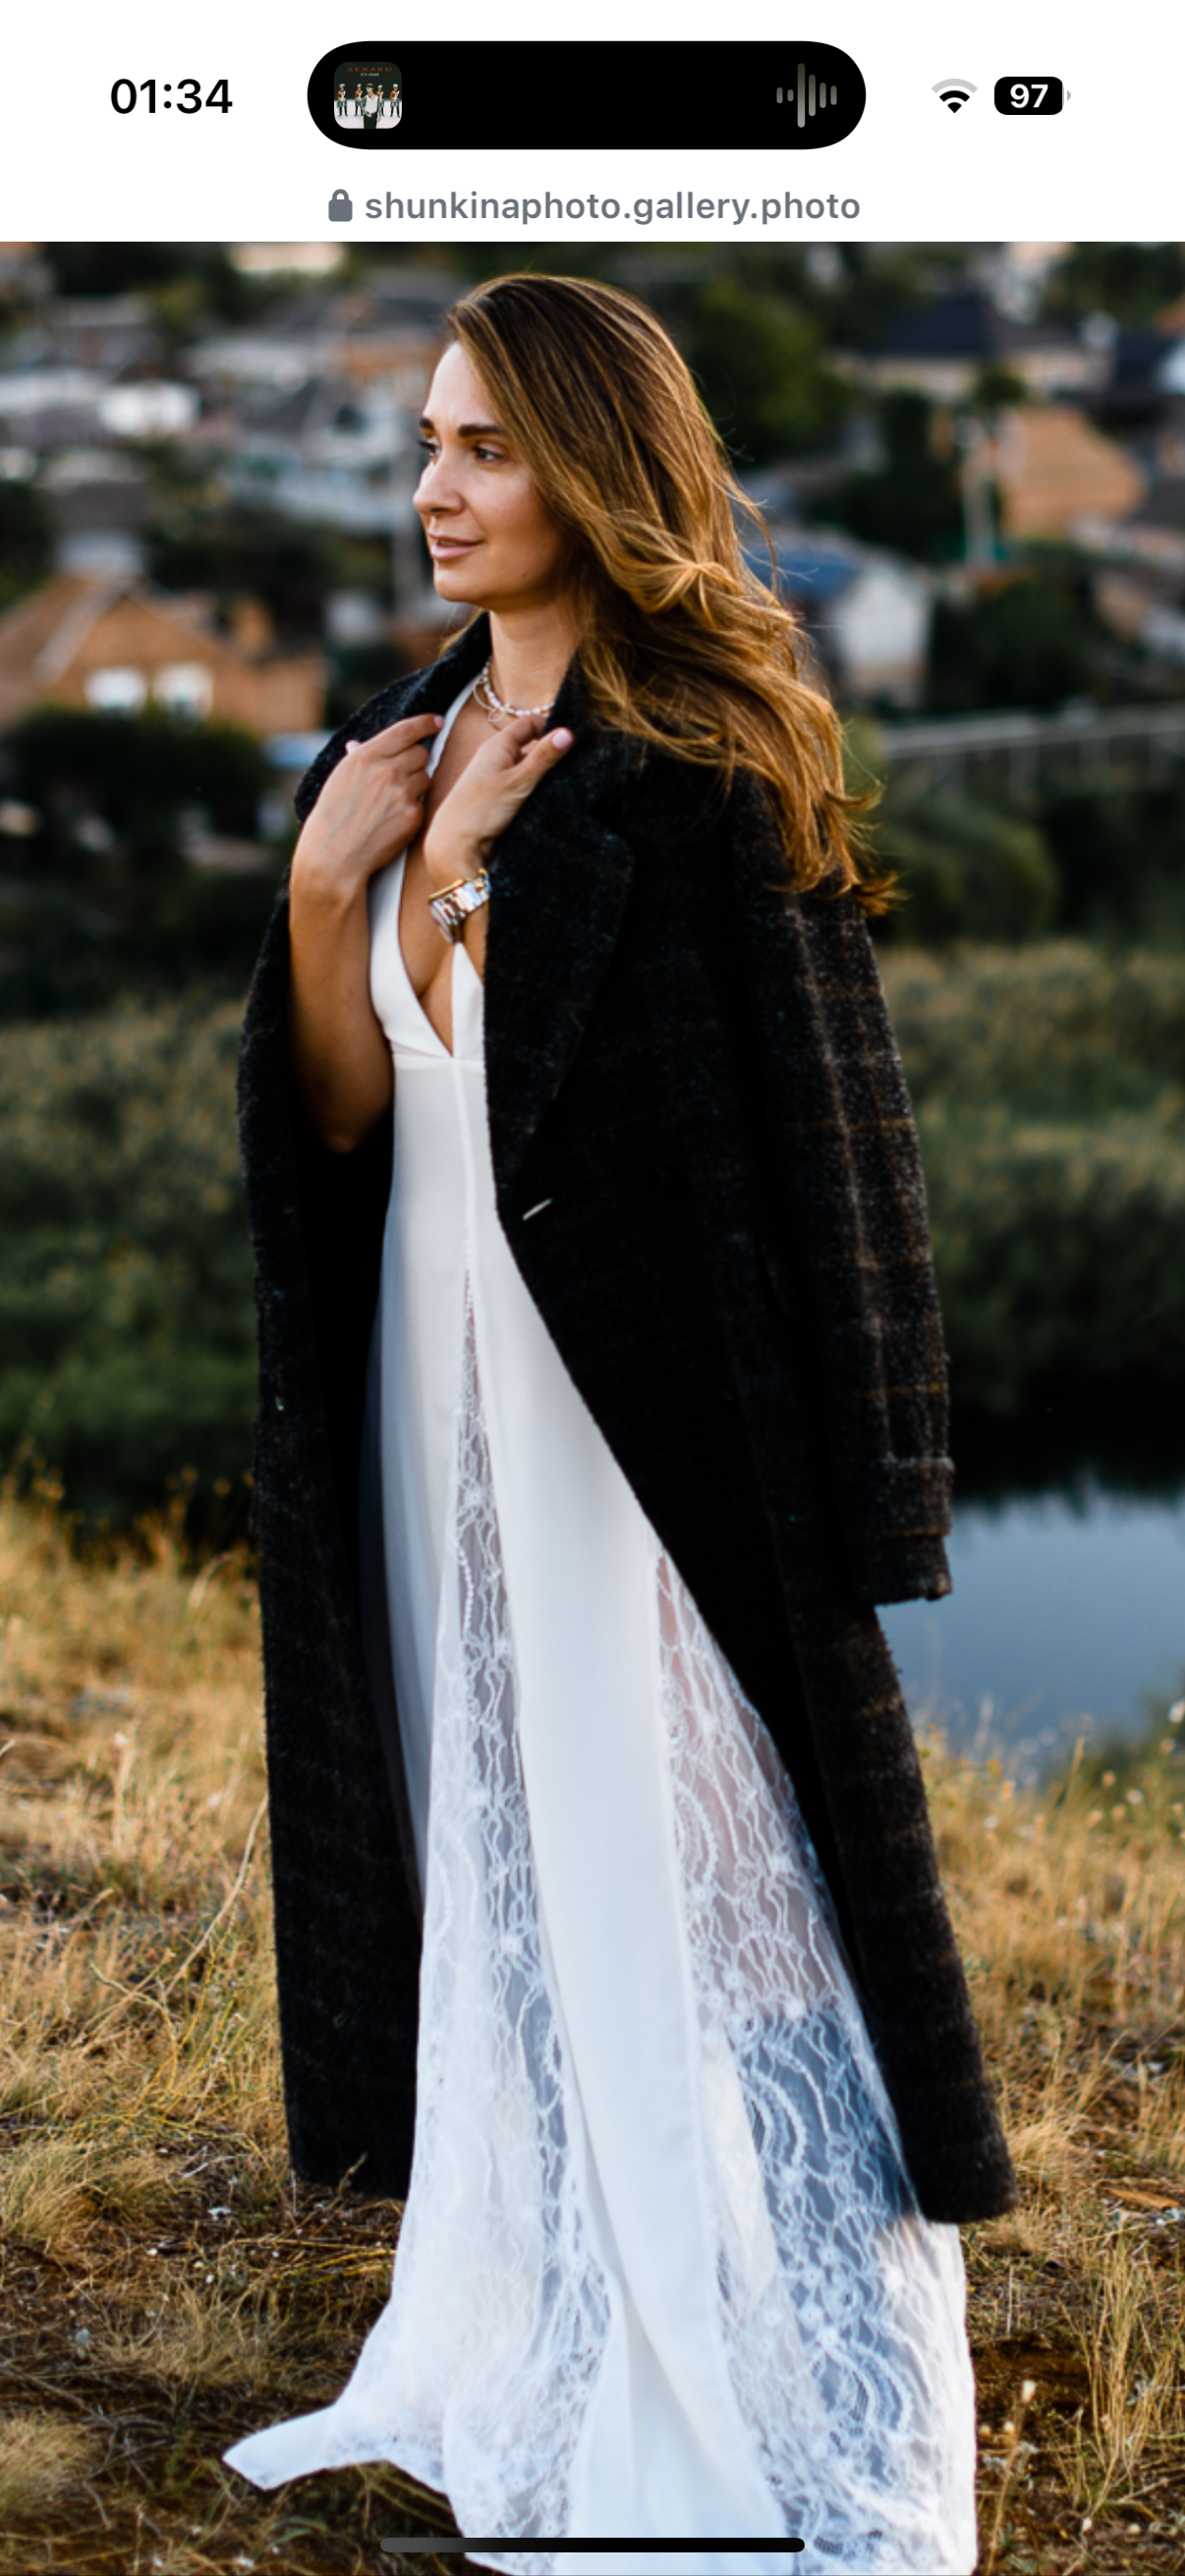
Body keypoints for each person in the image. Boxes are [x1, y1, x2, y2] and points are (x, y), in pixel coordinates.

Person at [225, 274, 1014, 2571]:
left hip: (642, 1431)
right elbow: (353, 1110)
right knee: (517, 1862)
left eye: (484, 446)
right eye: (428, 441)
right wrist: (339, 883)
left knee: (725, 1892)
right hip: (442, 1381)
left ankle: (795, 2385)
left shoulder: (703, 765)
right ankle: (564, 2311)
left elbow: (832, 1144)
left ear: (590, 467)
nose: (433, 488)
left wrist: (873, 1484)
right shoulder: (398, 739)